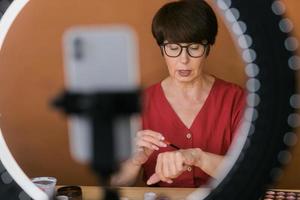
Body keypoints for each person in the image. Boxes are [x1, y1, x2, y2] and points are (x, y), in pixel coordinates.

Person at [111, 0, 245, 188]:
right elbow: (116, 185)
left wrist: (198, 157)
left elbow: (249, 172)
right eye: (173, 48)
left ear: (208, 48)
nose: (184, 59)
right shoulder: (139, 103)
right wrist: (135, 161)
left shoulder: (236, 99)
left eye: (194, 48)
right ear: (162, 50)